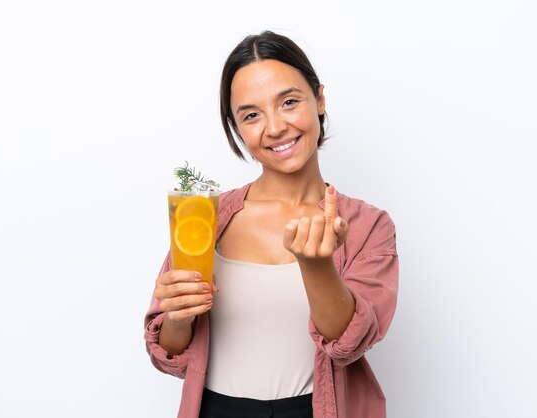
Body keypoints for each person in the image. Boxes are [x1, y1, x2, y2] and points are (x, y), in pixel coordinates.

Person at [144, 31, 399, 418]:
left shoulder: (369, 226)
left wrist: (316, 264)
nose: (275, 127)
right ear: (237, 127)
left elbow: (347, 344)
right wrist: (178, 317)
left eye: (289, 102)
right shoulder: (206, 217)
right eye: (251, 115)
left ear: (320, 99)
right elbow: (171, 355)